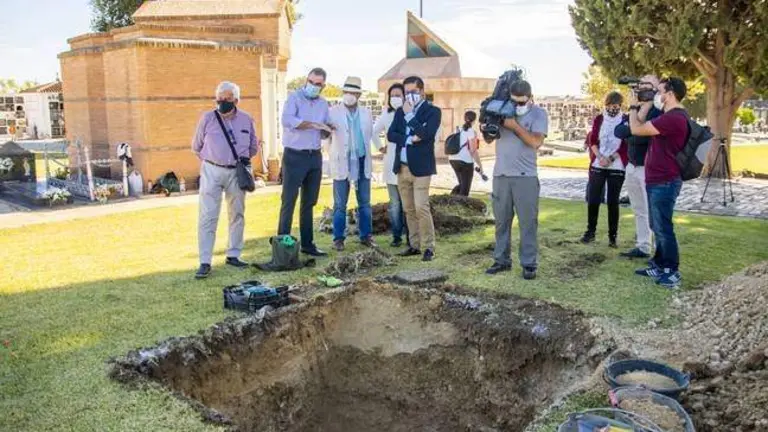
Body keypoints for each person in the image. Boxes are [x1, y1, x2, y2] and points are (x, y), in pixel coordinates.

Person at [192, 81, 259, 279]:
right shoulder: (208, 118)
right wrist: (214, 159)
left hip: (236, 172)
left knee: (237, 213)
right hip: (212, 170)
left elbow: (253, 147)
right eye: (219, 99)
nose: (222, 102)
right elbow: (196, 146)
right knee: (208, 216)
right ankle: (205, 261)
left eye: (227, 99)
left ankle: (234, 254)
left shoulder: (247, 119)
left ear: (236, 100)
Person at [629, 77, 689, 289]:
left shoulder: (674, 118)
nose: (656, 95)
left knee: (663, 227)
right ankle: (658, 264)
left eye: (659, 91)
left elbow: (636, 129)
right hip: (658, 179)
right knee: (657, 225)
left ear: (669, 93)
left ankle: (671, 271)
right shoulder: (669, 116)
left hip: (665, 181)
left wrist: (633, 106)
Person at [485, 80, 548, 279]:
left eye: (522, 102)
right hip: (501, 175)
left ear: (531, 97)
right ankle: (501, 260)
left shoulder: (538, 114)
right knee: (501, 222)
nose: (518, 106)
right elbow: (488, 139)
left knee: (528, 222)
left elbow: (536, 142)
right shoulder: (502, 110)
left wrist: (514, 126)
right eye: (515, 102)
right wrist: (488, 123)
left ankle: (529, 263)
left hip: (525, 177)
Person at [279, 67, 333, 257]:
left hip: (314, 157)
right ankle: (282, 246)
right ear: (306, 80)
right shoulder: (294, 97)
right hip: (294, 155)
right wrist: (312, 124)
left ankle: (308, 245)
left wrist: (328, 128)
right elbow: (286, 120)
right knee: (289, 201)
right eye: (311, 82)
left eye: (318, 84)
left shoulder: (324, 104)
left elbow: (325, 128)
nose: (314, 86)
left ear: (323, 86)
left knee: (309, 202)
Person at [387, 75, 441, 261]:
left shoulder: (433, 112)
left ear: (422, 91)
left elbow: (426, 134)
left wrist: (411, 116)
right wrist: (409, 139)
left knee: (421, 207)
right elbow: (391, 135)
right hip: (402, 167)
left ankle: (429, 247)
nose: (409, 95)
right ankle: (414, 244)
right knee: (408, 209)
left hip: (422, 169)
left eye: (413, 92)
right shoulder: (400, 112)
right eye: (407, 92)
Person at [615, 75, 663, 259]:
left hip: (648, 168)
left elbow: (642, 136)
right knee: (638, 209)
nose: (640, 87)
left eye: (645, 84)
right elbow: (619, 131)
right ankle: (643, 246)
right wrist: (634, 127)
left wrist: (633, 130)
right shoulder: (634, 110)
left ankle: (660, 251)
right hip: (632, 165)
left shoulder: (658, 112)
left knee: (654, 211)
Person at [327, 76, 376, 251]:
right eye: (346, 92)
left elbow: (369, 135)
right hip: (342, 160)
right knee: (340, 204)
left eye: (353, 92)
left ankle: (366, 236)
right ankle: (338, 238)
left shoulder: (366, 113)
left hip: (362, 160)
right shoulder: (333, 112)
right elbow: (327, 138)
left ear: (358, 95)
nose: (349, 95)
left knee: (365, 202)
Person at [580, 91, 628, 248]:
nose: (613, 109)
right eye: (611, 106)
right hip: (598, 163)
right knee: (593, 198)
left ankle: (612, 236)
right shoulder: (599, 119)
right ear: (606, 105)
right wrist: (600, 157)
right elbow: (592, 140)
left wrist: (610, 159)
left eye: (616, 106)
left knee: (613, 201)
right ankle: (590, 231)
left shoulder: (625, 120)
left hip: (616, 164)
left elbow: (625, 145)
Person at [373, 83, 409, 247]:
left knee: (408, 202)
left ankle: (411, 235)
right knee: (395, 203)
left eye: (398, 95)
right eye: (392, 95)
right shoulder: (386, 115)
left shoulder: (410, 113)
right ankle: (396, 235)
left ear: (404, 96)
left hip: (407, 162)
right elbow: (374, 131)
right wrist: (380, 147)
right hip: (390, 163)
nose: (395, 98)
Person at [449, 110, 486, 196]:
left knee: (462, 184)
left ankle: (452, 199)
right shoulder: (471, 132)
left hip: (453, 159)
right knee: (465, 189)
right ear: (474, 121)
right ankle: (459, 203)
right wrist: (480, 166)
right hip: (465, 162)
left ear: (464, 119)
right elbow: (473, 151)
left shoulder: (457, 130)